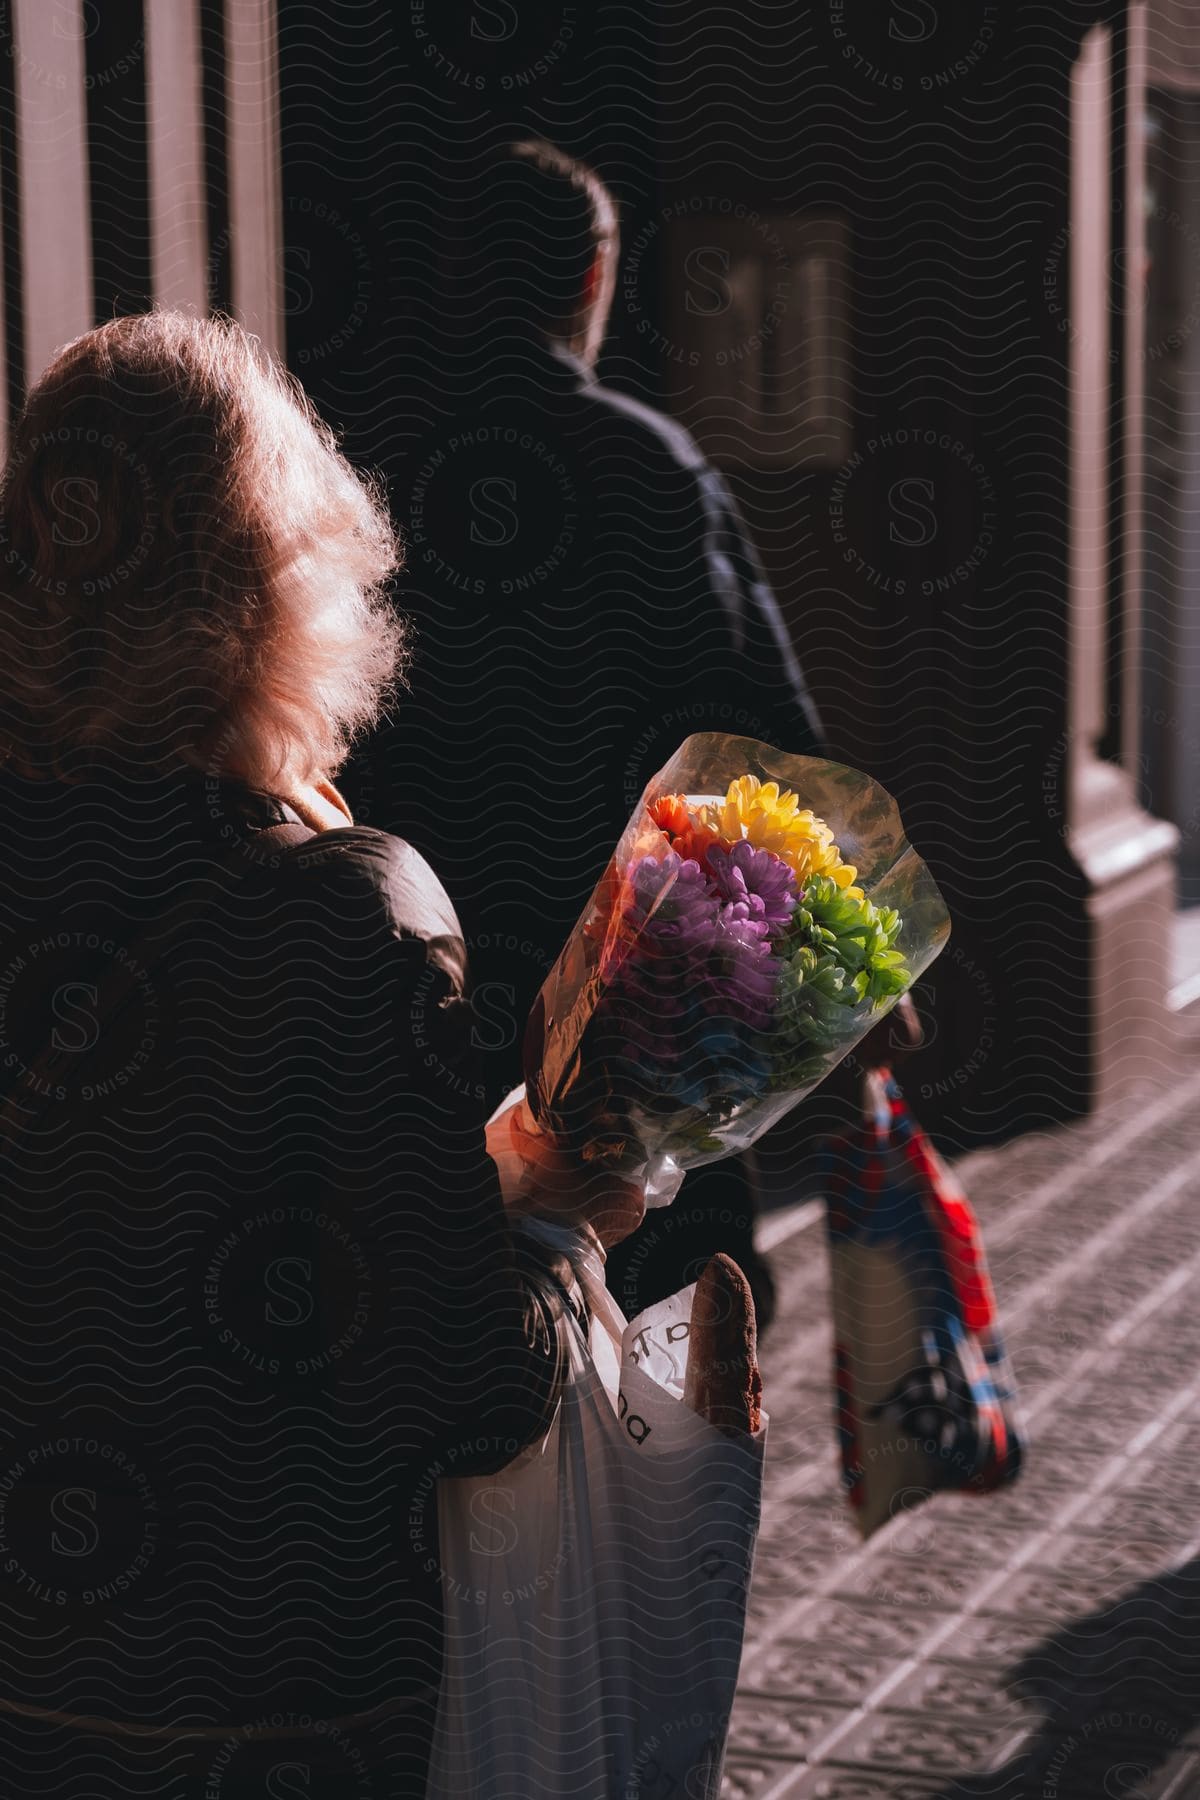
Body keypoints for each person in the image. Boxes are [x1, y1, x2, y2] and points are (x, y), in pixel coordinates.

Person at [0, 310, 637, 1797]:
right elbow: (466, 1391)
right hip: (259, 1700)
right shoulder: (349, 907)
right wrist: (560, 1224)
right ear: (278, 583)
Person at [384, 138, 827, 1334]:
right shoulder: (647, 466)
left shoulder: (366, 465)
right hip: (634, 1003)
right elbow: (764, 754)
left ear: (452, 272)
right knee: (655, 1322)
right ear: (592, 280)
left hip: (419, 996)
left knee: (459, 1320)